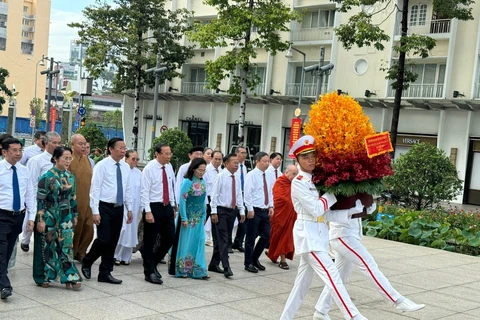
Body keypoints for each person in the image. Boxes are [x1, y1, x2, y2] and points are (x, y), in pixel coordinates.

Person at [280, 135, 368, 320]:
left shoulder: (316, 180)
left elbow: (325, 214)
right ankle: (354, 316)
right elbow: (317, 209)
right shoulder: (299, 182)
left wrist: (353, 212)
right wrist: (333, 191)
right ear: (297, 160)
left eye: (313, 155)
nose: (311, 160)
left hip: (319, 235)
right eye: (305, 157)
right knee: (333, 277)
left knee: (301, 286)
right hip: (308, 236)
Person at [314, 210, 425, 319]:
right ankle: (397, 300)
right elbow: (336, 211)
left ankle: (321, 310)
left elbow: (368, 208)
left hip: (349, 234)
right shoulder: (337, 193)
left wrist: (365, 203)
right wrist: (359, 206)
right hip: (342, 235)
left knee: (339, 275)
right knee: (368, 265)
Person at [81, 138, 133, 285]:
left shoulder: (125, 167)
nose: (123, 151)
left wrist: (129, 208)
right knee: (104, 238)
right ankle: (88, 259)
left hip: (119, 207)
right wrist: (95, 211)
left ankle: (105, 272)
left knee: (113, 241)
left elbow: (127, 188)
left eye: (124, 148)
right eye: (120, 148)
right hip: (104, 206)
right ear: (111, 149)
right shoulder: (102, 165)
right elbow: (95, 189)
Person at [33, 146, 82, 289]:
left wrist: (75, 214)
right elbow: (40, 200)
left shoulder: (70, 177)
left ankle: (70, 277)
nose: (68, 161)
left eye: (69, 158)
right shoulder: (46, 177)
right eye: (65, 158)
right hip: (49, 215)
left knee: (66, 246)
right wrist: (40, 219)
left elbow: (73, 198)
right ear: (55, 158)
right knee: (48, 246)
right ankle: (45, 276)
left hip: (66, 217)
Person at [0, 138, 36, 299]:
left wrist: (31, 217)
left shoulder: (24, 170)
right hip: (1, 214)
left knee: (8, 250)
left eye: (20, 150)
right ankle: (5, 286)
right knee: (1, 250)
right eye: (14, 150)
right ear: (4, 151)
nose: (18, 153)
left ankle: (1, 276)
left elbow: (29, 194)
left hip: (18, 215)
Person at [141, 143, 176, 285]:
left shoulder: (169, 167)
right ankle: (149, 272)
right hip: (153, 207)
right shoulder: (149, 168)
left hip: (166, 206)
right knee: (150, 240)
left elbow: (171, 186)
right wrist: (148, 211)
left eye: (170, 153)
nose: (169, 156)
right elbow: (144, 191)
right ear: (157, 154)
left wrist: (173, 206)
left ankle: (152, 262)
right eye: (166, 154)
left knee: (170, 238)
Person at [21, 131, 61, 252]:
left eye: (59, 143)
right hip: (39, 198)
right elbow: (32, 183)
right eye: (54, 142)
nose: (57, 145)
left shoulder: (60, 160)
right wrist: (32, 202)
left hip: (54, 201)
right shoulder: (36, 160)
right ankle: (25, 241)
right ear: (46, 143)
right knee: (32, 222)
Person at [169, 158, 209, 279]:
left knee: (200, 241)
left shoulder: (203, 182)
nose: (202, 172)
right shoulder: (187, 182)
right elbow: (183, 200)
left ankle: (199, 270)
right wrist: (184, 218)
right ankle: (182, 269)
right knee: (185, 243)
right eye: (200, 170)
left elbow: (203, 200)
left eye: (204, 170)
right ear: (193, 169)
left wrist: (204, 215)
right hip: (187, 218)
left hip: (198, 218)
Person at [208, 153, 244, 278]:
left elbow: (239, 194)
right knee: (224, 239)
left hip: (232, 210)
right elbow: (214, 195)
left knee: (222, 238)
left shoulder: (237, 177)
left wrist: (241, 210)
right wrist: (213, 212)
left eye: (237, 163)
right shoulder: (221, 176)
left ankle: (213, 264)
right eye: (234, 162)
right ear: (226, 163)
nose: (236, 165)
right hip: (221, 210)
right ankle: (226, 266)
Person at [243, 151, 273, 273]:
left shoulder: (268, 175)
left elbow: (270, 191)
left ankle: (255, 258)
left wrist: (271, 205)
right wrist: (249, 209)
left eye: (268, 161)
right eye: (264, 161)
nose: (267, 164)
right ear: (257, 161)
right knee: (250, 238)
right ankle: (248, 262)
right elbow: (247, 193)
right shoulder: (252, 175)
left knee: (267, 235)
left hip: (265, 209)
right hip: (254, 210)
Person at [267, 165, 298, 269]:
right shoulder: (280, 181)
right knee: (278, 235)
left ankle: (280, 257)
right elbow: (278, 197)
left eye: (296, 174)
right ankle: (279, 257)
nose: (295, 176)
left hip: (290, 214)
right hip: (280, 214)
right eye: (293, 174)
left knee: (286, 236)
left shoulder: (294, 184)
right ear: (287, 172)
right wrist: (290, 202)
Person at [114, 150, 142, 265]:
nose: (135, 161)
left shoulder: (139, 173)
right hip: (124, 204)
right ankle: (116, 255)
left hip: (135, 206)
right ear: (126, 158)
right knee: (122, 229)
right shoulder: (122, 170)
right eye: (133, 159)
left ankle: (126, 256)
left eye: (137, 159)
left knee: (131, 231)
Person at [70, 134, 94, 262]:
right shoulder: (69, 159)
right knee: (75, 227)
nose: (84, 146)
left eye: (85, 143)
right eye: (80, 144)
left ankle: (81, 252)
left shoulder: (88, 160)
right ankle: (71, 252)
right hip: (74, 200)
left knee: (88, 227)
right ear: (72, 145)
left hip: (88, 200)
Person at [203, 150, 223, 246]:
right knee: (204, 221)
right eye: (216, 159)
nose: (218, 161)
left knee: (216, 223)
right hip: (208, 199)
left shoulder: (222, 171)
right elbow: (204, 187)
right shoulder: (206, 170)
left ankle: (215, 241)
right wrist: (205, 202)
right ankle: (203, 238)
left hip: (218, 200)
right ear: (211, 158)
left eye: (220, 159)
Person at [232, 146, 248, 253]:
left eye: (245, 153)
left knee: (243, 222)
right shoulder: (233, 166)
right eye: (242, 152)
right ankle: (228, 244)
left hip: (243, 197)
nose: (244, 155)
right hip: (234, 197)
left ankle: (238, 243)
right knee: (231, 221)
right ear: (237, 153)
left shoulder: (244, 167)